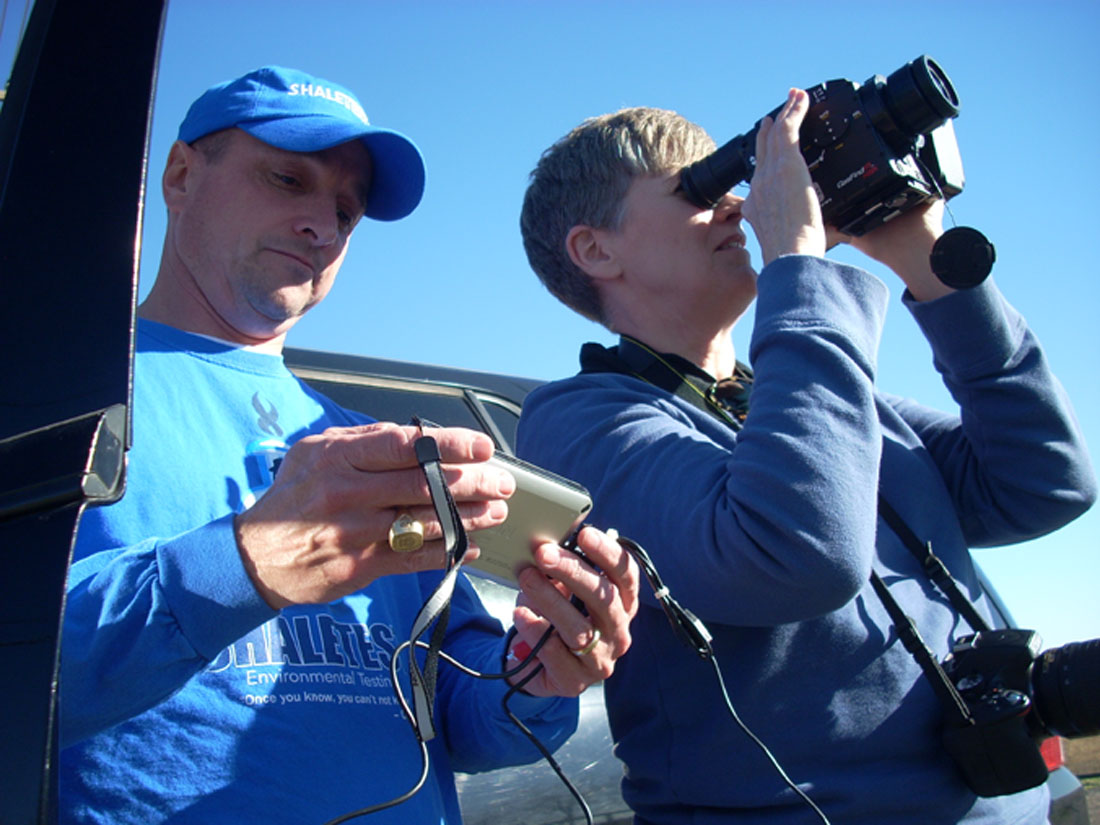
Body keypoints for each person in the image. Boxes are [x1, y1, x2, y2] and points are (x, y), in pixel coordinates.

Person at [59, 66, 639, 825]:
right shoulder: (52, 392)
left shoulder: (363, 448)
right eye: (287, 179)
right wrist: (243, 561)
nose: (323, 226)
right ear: (179, 174)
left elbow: (463, 715)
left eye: (346, 208)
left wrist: (543, 675)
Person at [515, 89, 1096, 824]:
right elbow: (795, 552)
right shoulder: (581, 422)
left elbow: (1044, 481)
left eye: (733, 181)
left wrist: (926, 261)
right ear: (596, 248)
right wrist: (798, 262)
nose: (734, 204)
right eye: (697, 187)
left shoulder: (814, 397)